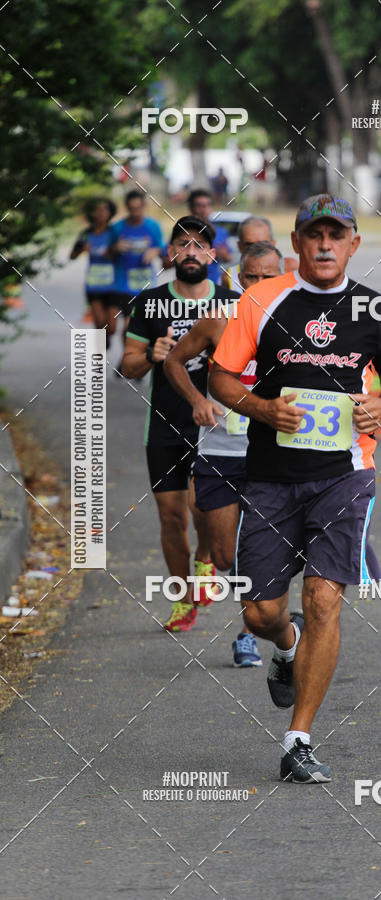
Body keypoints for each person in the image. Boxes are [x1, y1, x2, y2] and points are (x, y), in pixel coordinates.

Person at [209, 194, 381, 783]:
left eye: (337, 235)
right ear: (297, 244)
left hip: (345, 475)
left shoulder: (374, 310)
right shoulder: (261, 300)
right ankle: (285, 645)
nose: (325, 245)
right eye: (314, 235)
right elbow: (222, 375)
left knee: (325, 597)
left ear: (353, 244)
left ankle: (298, 739)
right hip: (272, 477)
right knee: (259, 612)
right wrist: (262, 410)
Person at [164, 242, 284, 665]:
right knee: (223, 554)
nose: (258, 285)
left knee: (260, 550)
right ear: (238, 277)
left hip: (272, 455)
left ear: (284, 277)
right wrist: (198, 399)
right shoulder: (218, 321)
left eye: (268, 277)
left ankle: (250, 631)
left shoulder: (296, 327)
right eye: (251, 277)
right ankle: (272, 618)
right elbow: (174, 362)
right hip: (219, 453)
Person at [121, 215, 236, 632]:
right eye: (183, 244)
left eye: (200, 245)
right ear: (171, 254)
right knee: (171, 517)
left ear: (213, 254)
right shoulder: (149, 303)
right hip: (166, 423)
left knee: (202, 507)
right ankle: (182, 598)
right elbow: (127, 365)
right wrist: (153, 352)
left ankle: (206, 556)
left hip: (216, 425)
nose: (191, 251)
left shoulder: (232, 301)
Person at [110, 190, 164, 368]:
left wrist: (154, 251)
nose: (135, 213)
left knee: (140, 326)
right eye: (131, 209)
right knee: (127, 326)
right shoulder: (118, 228)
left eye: (138, 208)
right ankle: (130, 358)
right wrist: (115, 248)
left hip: (146, 285)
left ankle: (132, 358)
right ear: (127, 208)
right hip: (124, 286)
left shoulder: (153, 227)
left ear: (144, 207)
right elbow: (105, 253)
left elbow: (163, 249)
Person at [70, 198, 120, 346]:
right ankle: (97, 359)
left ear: (110, 213)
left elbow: (122, 253)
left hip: (113, 285)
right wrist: (81, 250)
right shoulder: (86, 234)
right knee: (99, 323)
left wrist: (113, 251)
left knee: (111, 327)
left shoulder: (114, 233)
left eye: (104, 209)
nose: (100, 213)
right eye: (97, 210)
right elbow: (72, 256)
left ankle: (106, 339)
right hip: (94, 284)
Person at [221, 216, 298, 293]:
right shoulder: (229, 277)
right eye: (250, 244)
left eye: (263, 244)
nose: (257, 249)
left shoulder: (291, 268)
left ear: (273, 244)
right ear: (239, 246)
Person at [186, 189, 232, 283]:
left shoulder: (221, 232)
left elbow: (228, 257)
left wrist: (221, 253)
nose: (204, 209)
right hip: (188, 285)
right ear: (191, 208)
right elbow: (166, 262)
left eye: (208, 205)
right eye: (199, 205)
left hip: (213, 286)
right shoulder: (182, 232)